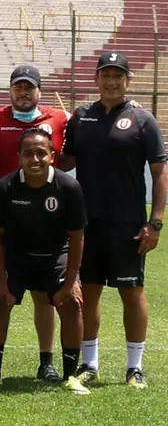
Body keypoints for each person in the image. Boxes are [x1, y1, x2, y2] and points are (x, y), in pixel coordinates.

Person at [61, 51, 167, 389]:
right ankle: (89, 364)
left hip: (128, 224)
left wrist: (156, 222)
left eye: (118, 75)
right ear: (96, 79)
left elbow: (160, 172)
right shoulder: (81, 117)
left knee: (131, 291)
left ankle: (134, 367)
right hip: (86, 223)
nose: (111, 81)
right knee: (88, 293)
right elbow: (64, 162)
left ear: (128, 80)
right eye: (105, 74)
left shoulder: (142, 119)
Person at [0, 128, 90, 395]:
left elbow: (77, 237)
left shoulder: (68, 187)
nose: (34, 159)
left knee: (70, 303)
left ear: (52, 156)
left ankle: (70, 375)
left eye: (40, 153)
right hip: (17, 257)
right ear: (19, 157)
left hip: (55, 256)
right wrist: (0, 280)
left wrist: (72, 282)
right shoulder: (5, 187)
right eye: (28, 154)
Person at [0, 65, 71, 382]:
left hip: (47, 220)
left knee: (44, 297)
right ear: (10, 90)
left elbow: (84, 137)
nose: (23, 92)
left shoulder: (60, 119)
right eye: (18, 87)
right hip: (4, 222)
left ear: (39, 91)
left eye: (29, 87)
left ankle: (46, 362)